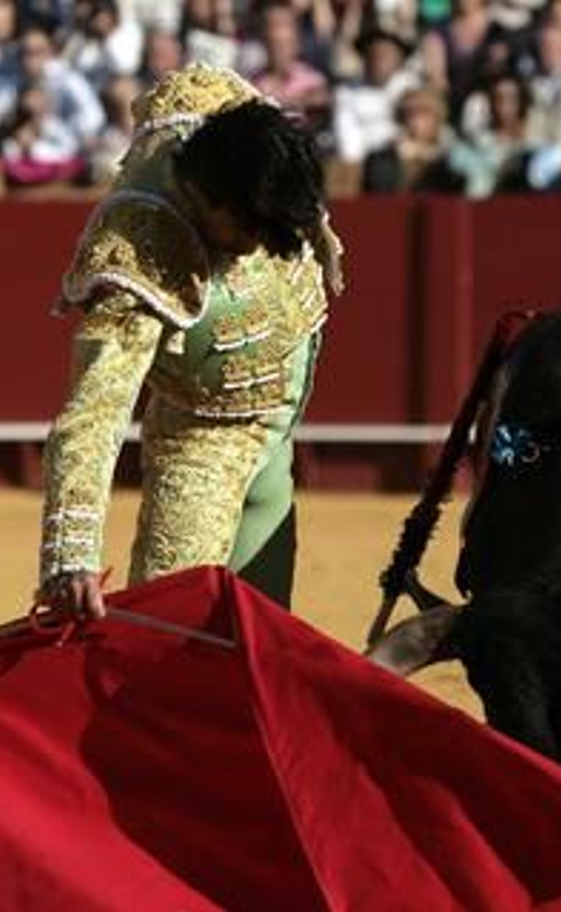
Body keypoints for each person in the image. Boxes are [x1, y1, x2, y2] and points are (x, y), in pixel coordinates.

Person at [38, 64, 343, 619]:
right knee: (167, 640)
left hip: (278, 431)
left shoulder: (234, 122)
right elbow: (95, 410)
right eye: (246, 230)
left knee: (264, 635)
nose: (256, 248)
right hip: (201, 447)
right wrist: (73, 553)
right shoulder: (139, 244)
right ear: (206, 198)